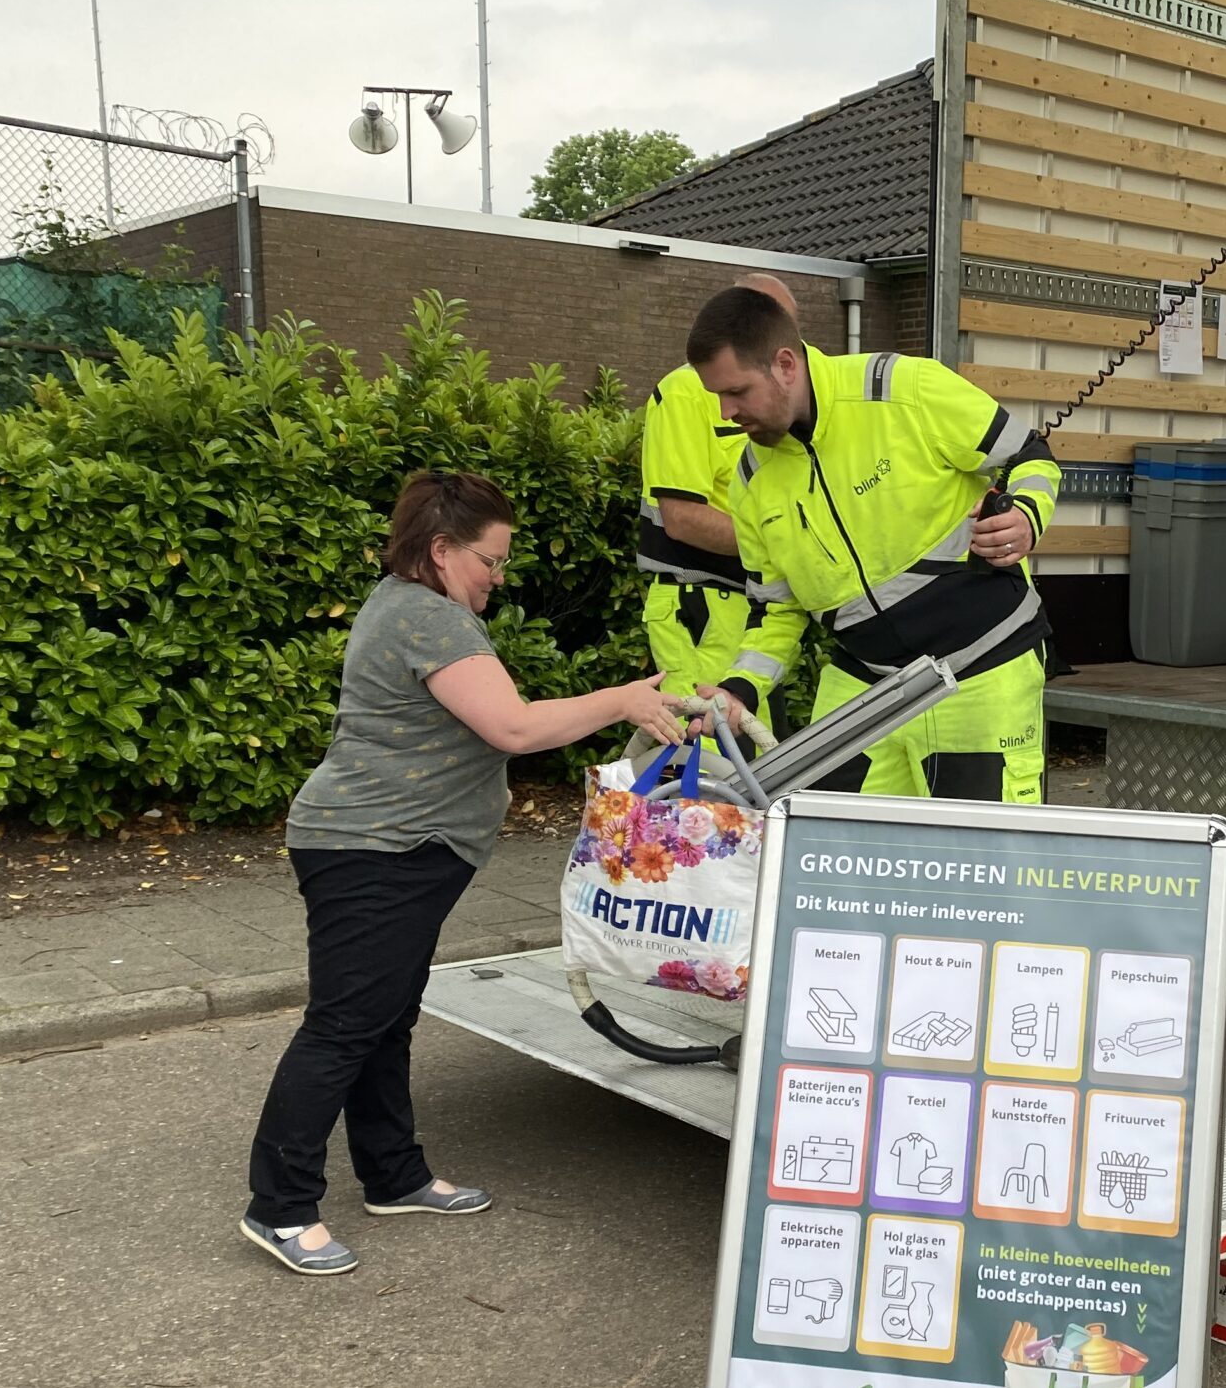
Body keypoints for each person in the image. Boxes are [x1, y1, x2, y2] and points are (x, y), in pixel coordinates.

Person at [242, 469, 685, 1276]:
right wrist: (621, 699)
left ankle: (394, 1175)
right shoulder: (427, 618)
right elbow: (513, 726)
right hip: (372, 848)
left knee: (384, 1017)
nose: (499, 576)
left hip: (393, 846)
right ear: (441, 550)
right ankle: (279, 1206)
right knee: (346, 1024)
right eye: (492, 559)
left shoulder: (411, 607)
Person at [684, 284, 1062, 803]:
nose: (726, 412)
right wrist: (740, 691)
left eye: (737, 391)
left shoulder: (905, 389)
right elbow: (775, 611)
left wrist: (1025, 515)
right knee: (835, 857)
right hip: (866, 685)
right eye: (717, 396)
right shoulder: (751, 478)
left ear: (785, 365)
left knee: (980, 870)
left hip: (983, 667)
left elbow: (1030, 456)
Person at [635, 273, 801, 748]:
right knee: (708, 764)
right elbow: (682, 518)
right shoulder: (686, 392)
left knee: (756, 764)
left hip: (753, 608)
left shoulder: (781, 404)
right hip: (701, 606)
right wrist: (786, 545)